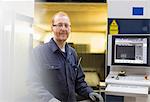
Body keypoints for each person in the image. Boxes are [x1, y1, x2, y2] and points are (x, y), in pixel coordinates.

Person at [28, 11, 104, 102]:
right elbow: (32, 82)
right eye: (59, 25)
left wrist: (89, 92)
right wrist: (49, 99)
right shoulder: (39, 52)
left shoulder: (72, 53)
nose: (63, 29)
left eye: (66, 25)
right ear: (52, 28)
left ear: (70, 29)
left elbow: (79, 82)